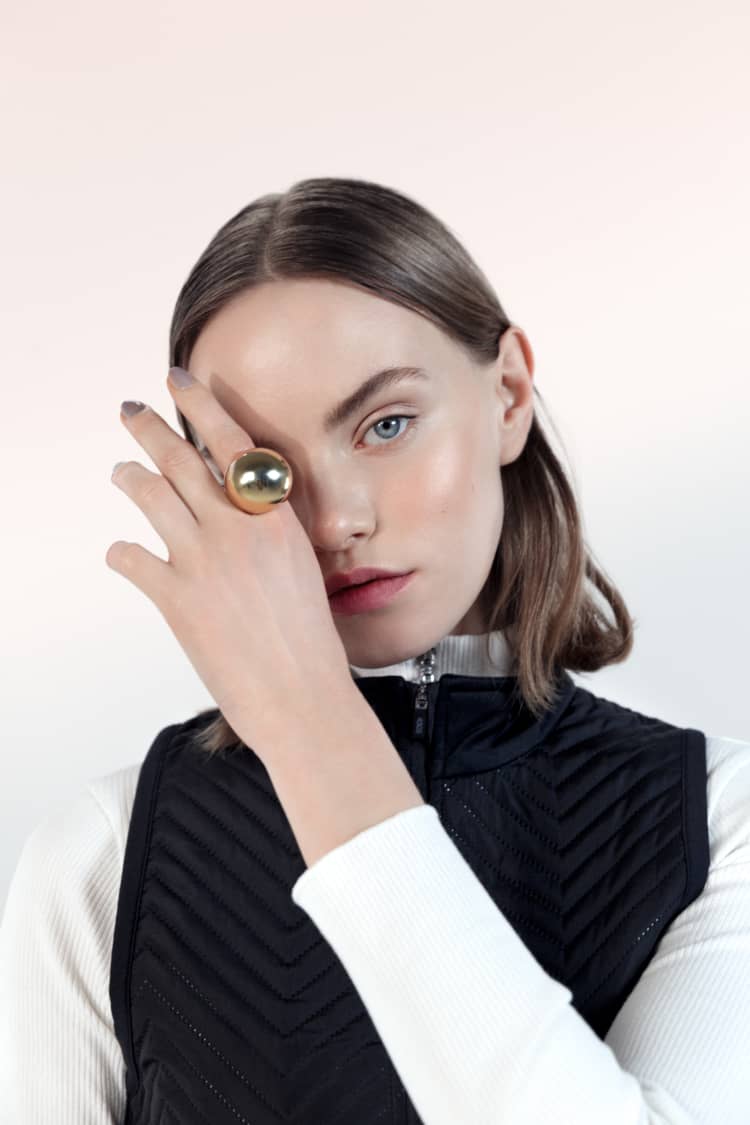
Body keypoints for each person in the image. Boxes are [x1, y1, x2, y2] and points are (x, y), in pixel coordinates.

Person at [1, 176, 748, 1124]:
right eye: (264, 471)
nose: (335, 521)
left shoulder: (717, 819)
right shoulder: (106, 853)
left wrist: (313, 726)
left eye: (386, 425)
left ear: (509, 394)